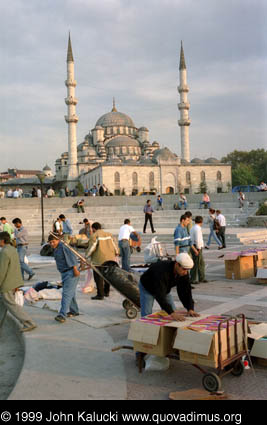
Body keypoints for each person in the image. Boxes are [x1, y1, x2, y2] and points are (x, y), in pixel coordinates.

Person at [139, 252, 199, 319]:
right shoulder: (161, 271)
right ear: (176, 264)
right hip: (148, 287)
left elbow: (185, 291)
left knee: (173, 312)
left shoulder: (183, 273)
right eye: (184, 269)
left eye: (187, 270)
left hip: (164, 288)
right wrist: (171, 313)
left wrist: (190, 308)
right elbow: (159, 295)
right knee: (147, 314)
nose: (185, 272)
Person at [0, 232, 37, 332]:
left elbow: (1, 271)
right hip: (13, 282)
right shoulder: (12, 249)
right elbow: (16, 267)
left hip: (6, 284)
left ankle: (29, 322)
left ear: (2, 240)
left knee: (11, 306)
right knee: (2, 307)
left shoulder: (4, 252)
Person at [48, 234, 80, 323]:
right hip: (64, 273)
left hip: (71, 272)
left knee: (66, 294)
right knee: (71, 293)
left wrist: (75, 269)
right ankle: (74, 311)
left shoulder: (64, 247)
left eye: (53, 242)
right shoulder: (56, 248)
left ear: (58, 240)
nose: (52, 244)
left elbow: (72, 258)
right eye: (50, 242)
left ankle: (62, 315)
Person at [85, 222, 118, 300]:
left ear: (93, 228)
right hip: (110, 258)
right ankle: (106, 292)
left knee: (98, 278)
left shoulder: (94, 235)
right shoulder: (109, 234)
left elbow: (92, 248)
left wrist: (86, 256)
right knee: (107, 276)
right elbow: (115, 245)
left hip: (99, 260)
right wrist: (116, 252)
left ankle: (100, 294)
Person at [190, 216, 207, 284]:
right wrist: (198, 249)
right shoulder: (197, 229)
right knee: (196, 263)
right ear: (201, 222)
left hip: (195, 246)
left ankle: (201, 277)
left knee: (201, 263)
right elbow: (197, 239)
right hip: (197, 247)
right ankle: (193, 279)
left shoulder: (193, 227)